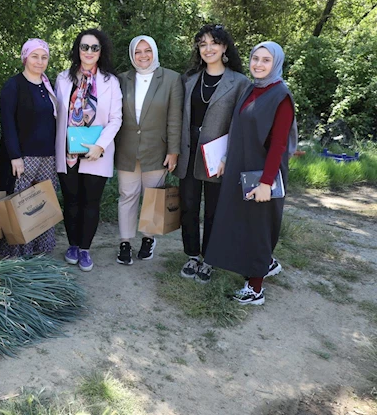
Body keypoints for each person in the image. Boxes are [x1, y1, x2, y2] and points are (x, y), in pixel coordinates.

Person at [204, 41, 297, 305]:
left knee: (258, 227)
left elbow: (279, 145)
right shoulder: (251, 89)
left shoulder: (280, 96)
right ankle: (265, 262)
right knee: (242, 222)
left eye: (266, 60)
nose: (258, 64)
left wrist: (266, 183)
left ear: (276, 63)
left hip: (264, 173)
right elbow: (237, 127)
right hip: (240, 166)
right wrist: (224, 158)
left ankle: (255, 289)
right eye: (255, 58)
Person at [175, 24, 249, 283]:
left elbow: (242, 125)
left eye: (214, 43)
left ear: (225, 47)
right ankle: (192, 255)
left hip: (219, 155)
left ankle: (210, 259)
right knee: (189, 206)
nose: (208, 48)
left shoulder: (239, 82)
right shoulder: (189, 79)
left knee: (214, 211)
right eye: (203, 43)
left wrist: (229, 156)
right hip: (189, 150)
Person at [55, 29, 123, 272]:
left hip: (97, 151)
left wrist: (100, 145)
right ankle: (72, 245)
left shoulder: (111, 82)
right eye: (85, 47)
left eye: (95, 47)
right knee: (71, 200)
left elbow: (116, 118)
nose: (89, 52)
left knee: (90, 202)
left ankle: (85, 249)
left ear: (101, 51)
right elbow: (56, 115)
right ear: (77, 50)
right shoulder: (63, 79)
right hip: (68, 152)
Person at [114, 36, 183, 266]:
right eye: (137, 52)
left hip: (157, 148)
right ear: (132, 55)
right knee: (127, 195)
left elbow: (174, 118)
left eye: (147, 51)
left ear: (154, 51)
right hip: (127, 148)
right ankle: (125, 241)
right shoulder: (122, 79)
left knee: (152, 197)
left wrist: (173, 151)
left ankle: (148, 238)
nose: (143, 56)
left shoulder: (171, 79)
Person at [0, 38, 59, 256]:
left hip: (48, 157)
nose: (40, 62)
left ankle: (40, 251)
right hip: (23, 158)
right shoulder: (14, 85)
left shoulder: (48, 86)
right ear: (25, 58)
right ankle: (18, 254)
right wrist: (15, 156)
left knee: (42, 205)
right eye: (35, 56)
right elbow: (8, 122)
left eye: (44, 57)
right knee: (22, 207)